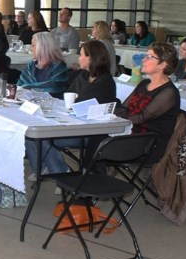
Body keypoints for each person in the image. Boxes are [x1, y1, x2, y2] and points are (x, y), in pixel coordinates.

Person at [25, 40, 117, 179]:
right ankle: (42, 169)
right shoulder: (84, 75)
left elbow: (84, 103)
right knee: (29, 133)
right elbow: (69, 95)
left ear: (91, 58)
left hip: (91, 132)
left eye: (81, 55)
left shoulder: (104, 81)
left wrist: (74, 101)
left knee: (41, 137)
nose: (78, 58)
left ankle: (60, 173)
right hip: (74, 122)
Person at [116, 43, 181, 162]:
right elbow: (124, 107)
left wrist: (113, 121)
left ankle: (92, 175)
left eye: (150, 57)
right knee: (95, 138)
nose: (144, 60)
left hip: (148, 143)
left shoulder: (169, 92)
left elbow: (142, 118)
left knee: (98, 142)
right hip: (131, 133)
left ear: (162, 64)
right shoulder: (144, 83)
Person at [17, 32, 70, 96]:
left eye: (33, 45)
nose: (31, 49)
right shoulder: (31, 66)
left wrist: (27, 87)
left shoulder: (59, 67)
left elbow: (54, 89)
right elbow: (19, 86)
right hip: (27, 102)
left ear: (42, 47)